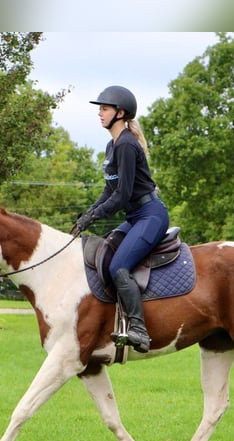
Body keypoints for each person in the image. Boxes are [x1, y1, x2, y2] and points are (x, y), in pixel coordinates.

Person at [74, 85, 170, 353]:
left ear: (121, 113)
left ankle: (139, 329)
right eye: (100, 109)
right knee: (105, 253)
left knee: (119, 267)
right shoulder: (112, 145)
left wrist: (96, 214)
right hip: (135, 216)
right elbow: (109, 189)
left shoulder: (126, 144)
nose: (100, 114)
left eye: (104, 109)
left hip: (150, 215)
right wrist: (88, 214)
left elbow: (123, 194)